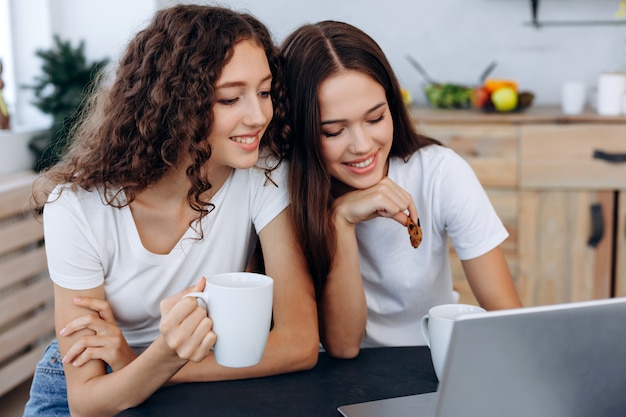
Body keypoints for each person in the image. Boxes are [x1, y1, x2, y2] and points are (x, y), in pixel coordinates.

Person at [23, 5, 318, 417]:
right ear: (175, 105)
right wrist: (157, 357)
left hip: (192, 372)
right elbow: (88, 401)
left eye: (265, 92)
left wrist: (139, 360)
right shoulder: (77, 208)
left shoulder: (262, 174)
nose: (259, 116)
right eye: (231, 98)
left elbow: (300, 344)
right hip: (87, 389)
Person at [279, 20, 522, 359]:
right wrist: (341, 221)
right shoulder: (281, 190)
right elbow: (345, 346)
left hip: (430, 358)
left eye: (376, 118)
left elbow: (506, 315)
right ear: (299, 130)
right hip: (332, 374)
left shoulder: (439, 172)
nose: (362, 146)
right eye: (334, 132)